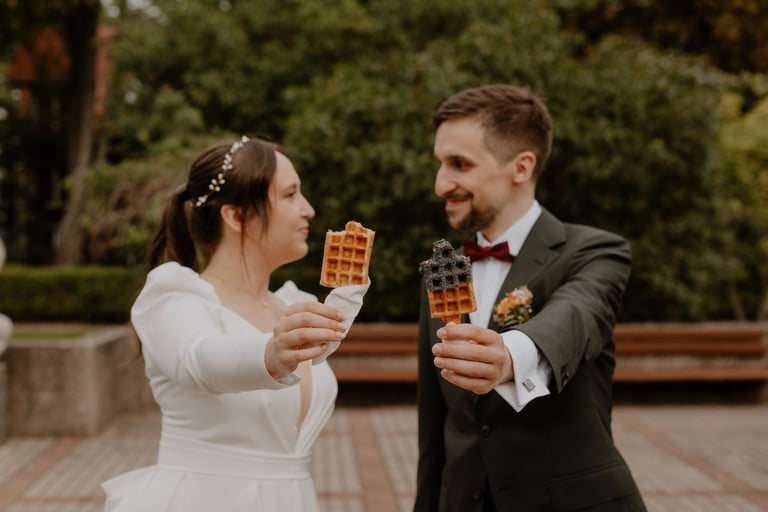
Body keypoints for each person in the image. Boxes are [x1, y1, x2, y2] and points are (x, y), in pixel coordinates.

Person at [101, 135, 368, 512]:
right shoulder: (173, 300)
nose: (308, 209)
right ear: (236, 216)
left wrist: (346, 299)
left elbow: (318, 349)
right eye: (290, 195)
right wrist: (270, 354)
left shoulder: (293, 305)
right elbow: (202, 360)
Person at [414, 85, 646, 511]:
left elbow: (576, 314)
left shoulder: (597, 251)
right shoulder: (443, 270)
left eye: (459, 164)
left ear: (521, 167)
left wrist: (508, 356)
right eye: (440, 164)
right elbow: (434, 425)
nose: (440, 184)